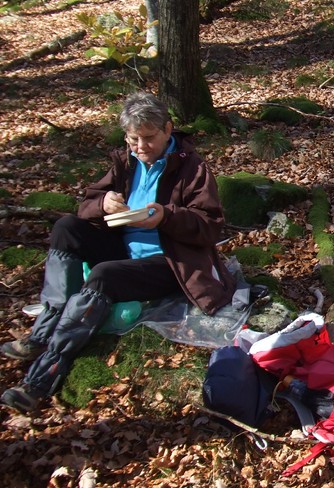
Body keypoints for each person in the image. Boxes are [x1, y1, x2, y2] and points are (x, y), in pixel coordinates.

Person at [1, 92, 235, 413]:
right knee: (66, 228)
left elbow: (209, 226)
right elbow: (86, 206)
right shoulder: (127, 162)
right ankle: (42, 334)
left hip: (171, 263)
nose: (140, 146)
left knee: (104, 275)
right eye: (133, 139)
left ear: (167, 129)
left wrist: (165, 217)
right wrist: (104, 203)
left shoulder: (191, 167)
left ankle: (41, 378)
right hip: (124, 251)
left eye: (148, 138)